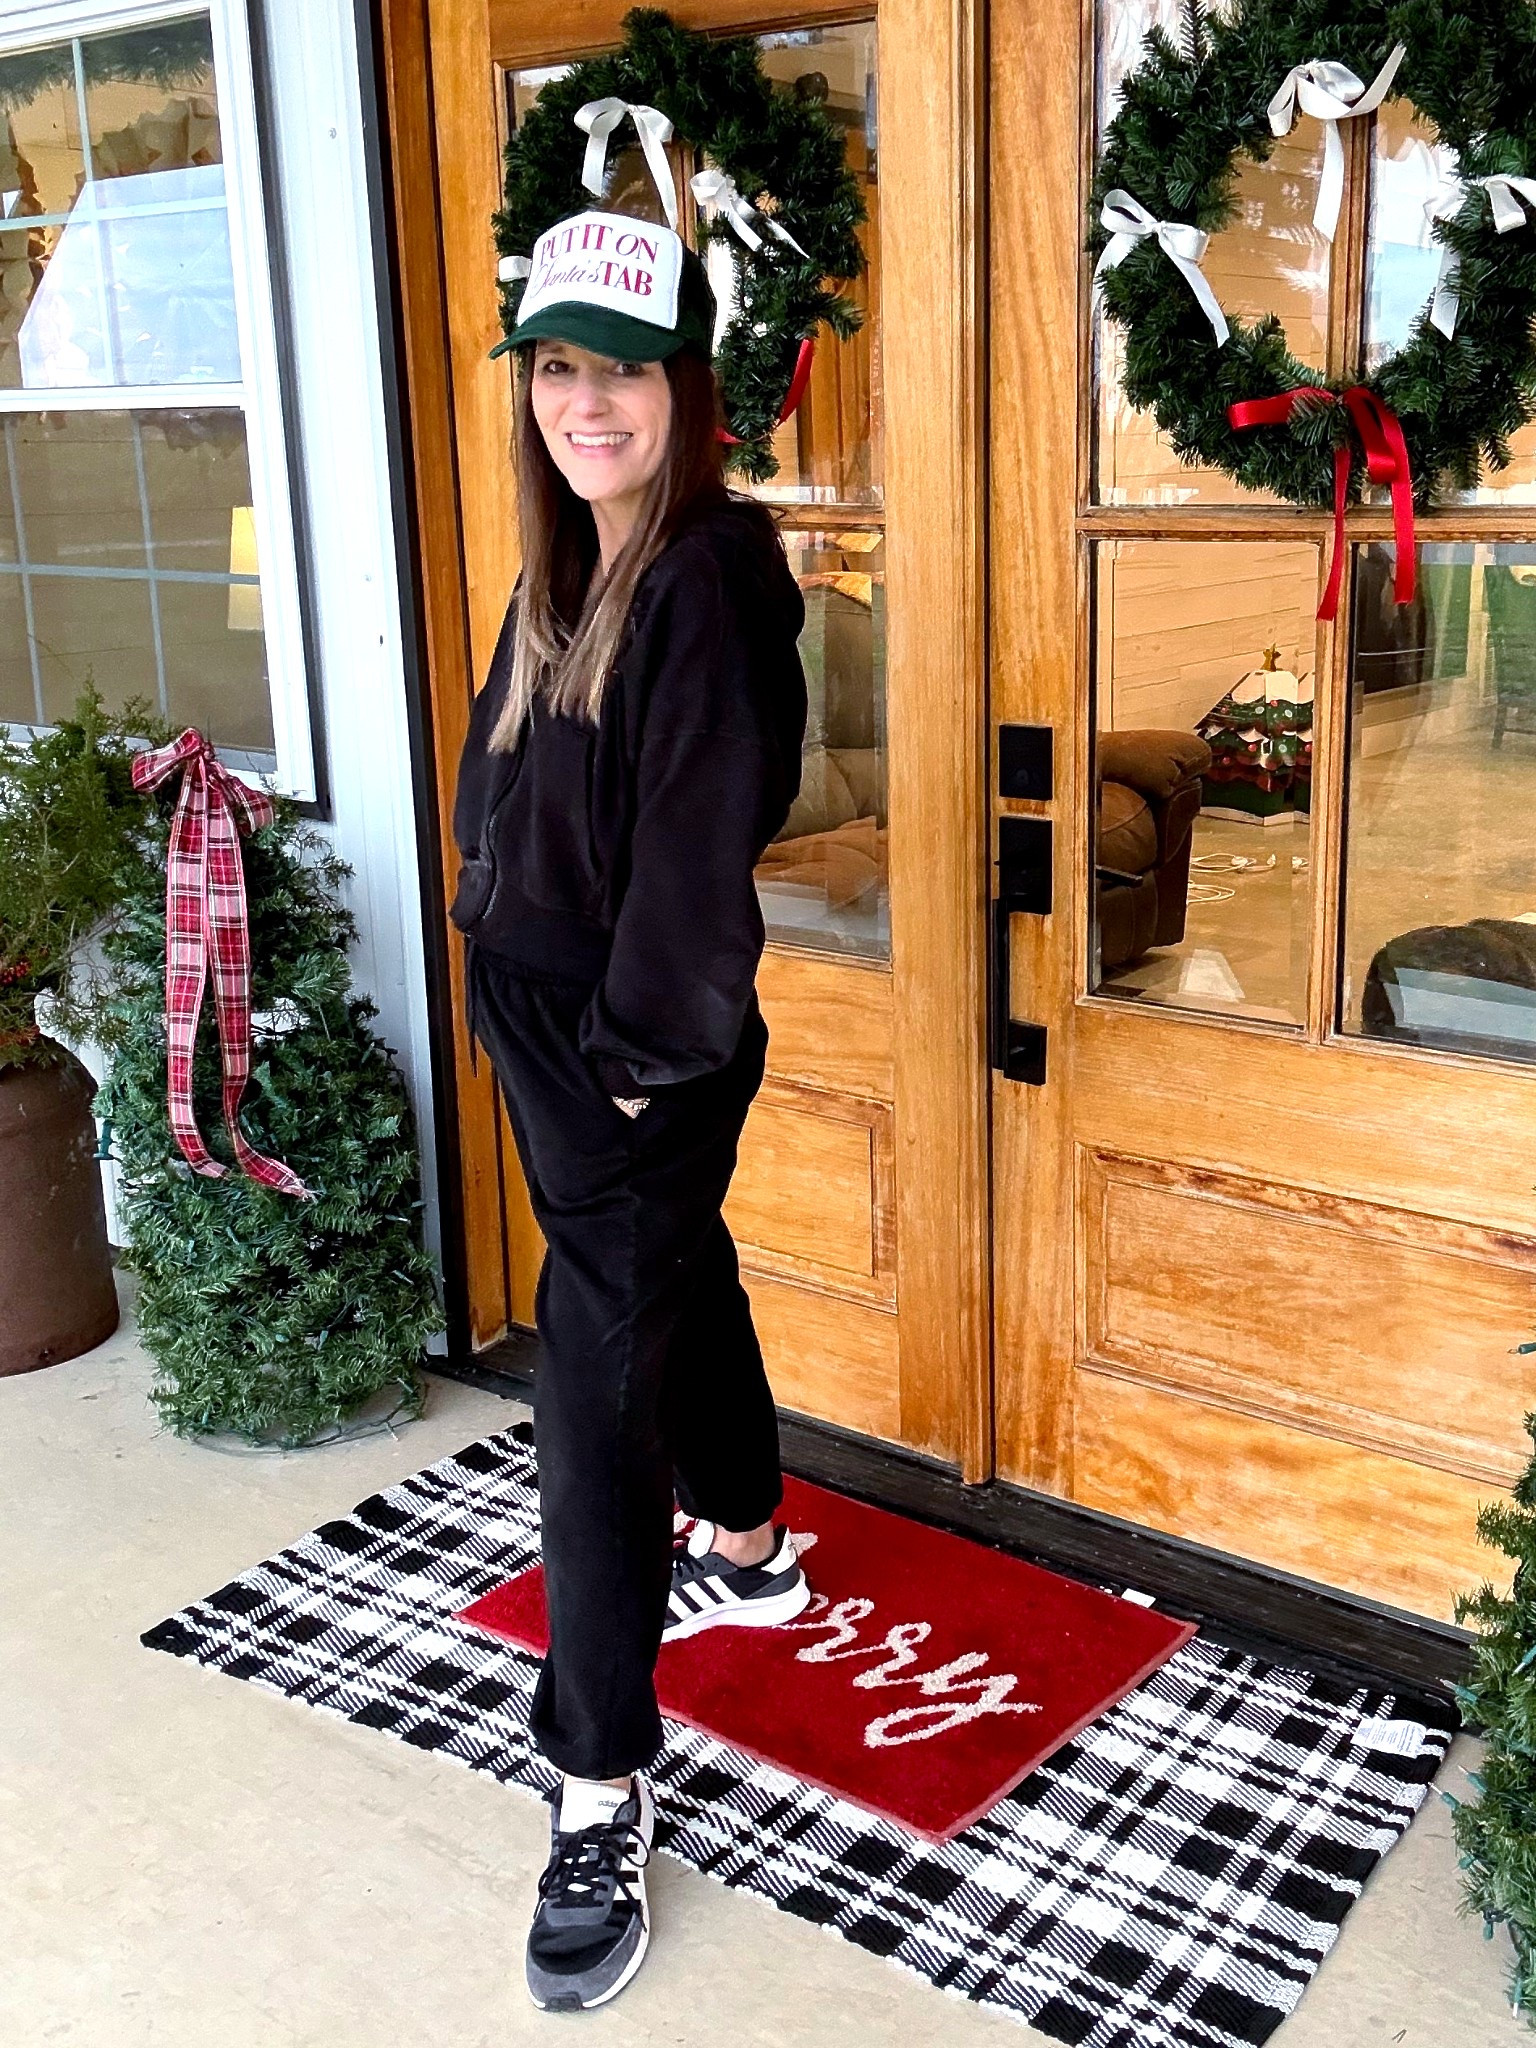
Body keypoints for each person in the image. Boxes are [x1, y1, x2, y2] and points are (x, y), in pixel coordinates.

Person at [450, 208, 813, 2011]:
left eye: (626, 370)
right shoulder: (572, 558)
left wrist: (635, 1057)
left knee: (591, 1395)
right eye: (560, 367)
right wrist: (478, 895)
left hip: (627, 1056)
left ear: (689, 386)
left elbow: (700, 836)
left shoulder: (707, 575)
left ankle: (596, 1781)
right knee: (679, 1272)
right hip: (556, 1030)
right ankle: (747, 1542)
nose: (587, 402)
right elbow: (509, 772)